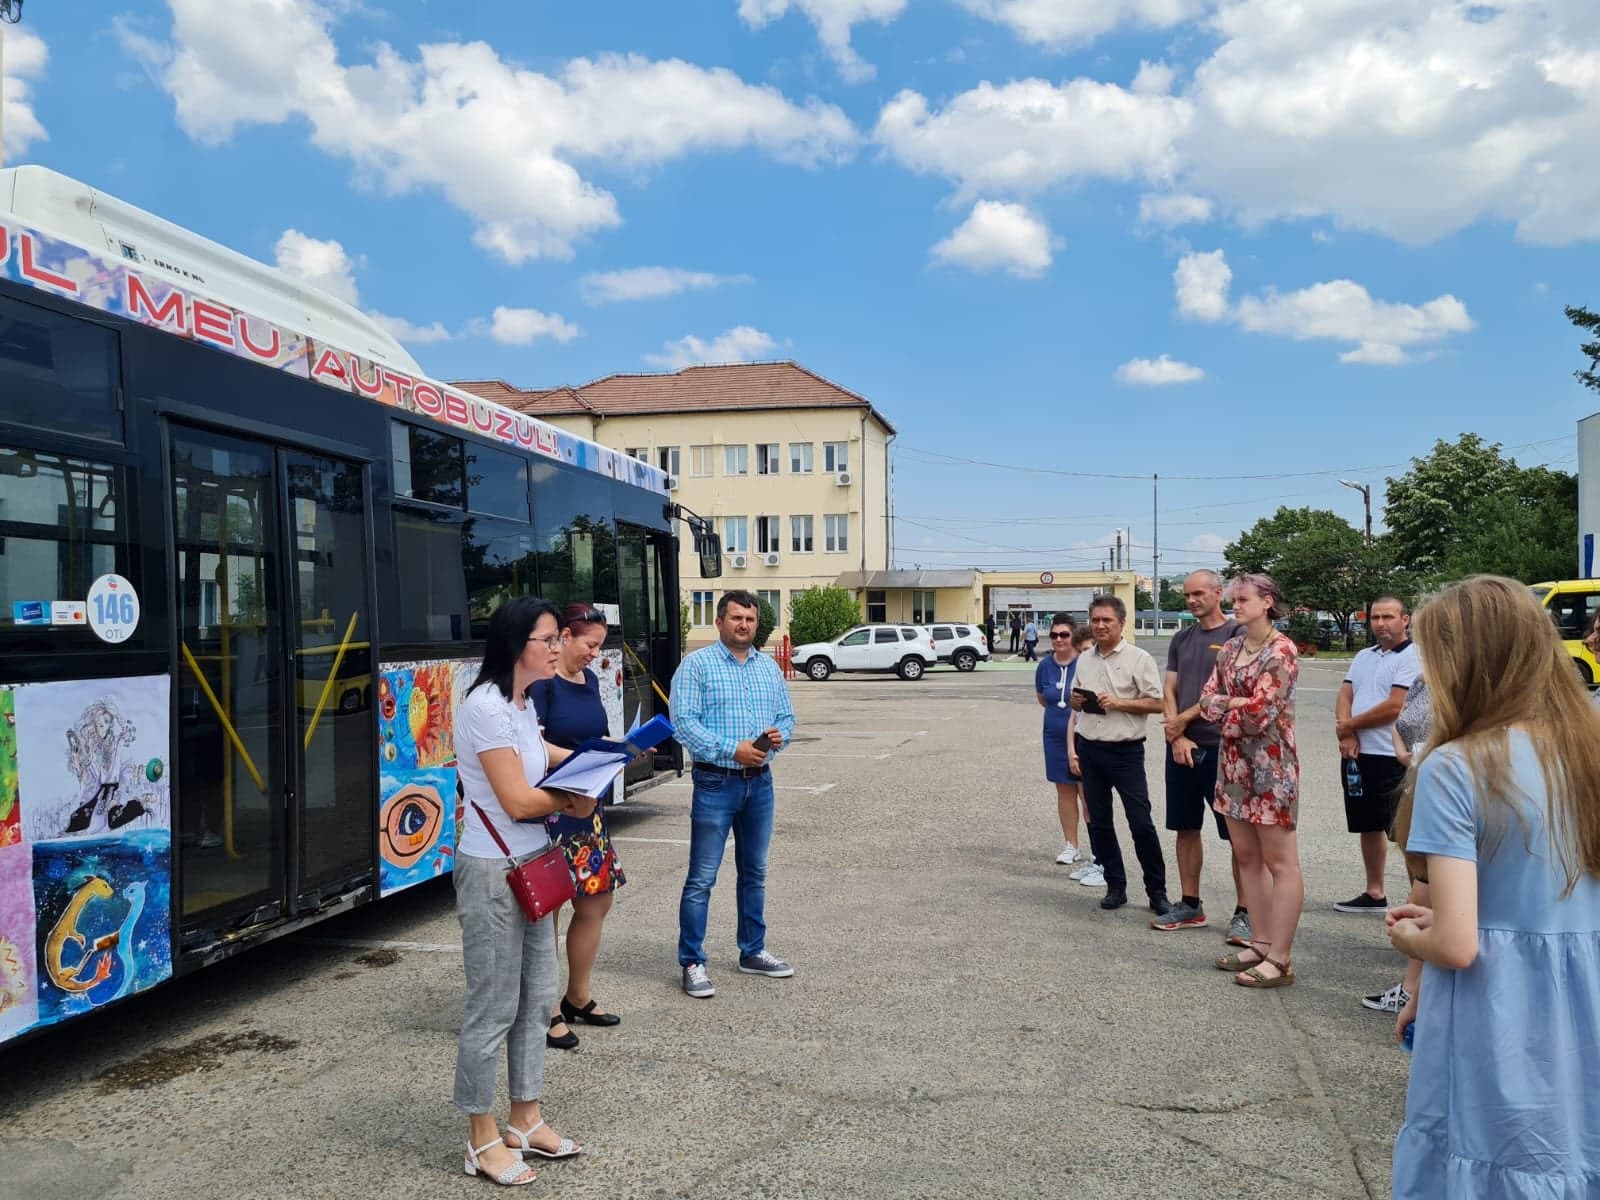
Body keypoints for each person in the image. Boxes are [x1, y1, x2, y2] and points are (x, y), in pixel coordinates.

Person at [1387, 575, 1600, 1197]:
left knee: (1492, 1156)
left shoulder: (1456, 766)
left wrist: (1409, 938)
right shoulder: (1586, 747)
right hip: (1585, 987)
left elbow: (1457, 944)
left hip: (1500, 1005)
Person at [454, 596, 591, 1185]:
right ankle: (481, 1138)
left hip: (532, 862)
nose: (558, 647)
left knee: (537, 998)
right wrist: (571, 797)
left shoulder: (522, 701)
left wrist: (599, 760)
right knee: (492, 1007)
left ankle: (525, 1120)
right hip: (493, 871)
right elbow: (515, 799)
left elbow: (542, 754)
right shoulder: (485, 706)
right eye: (549, 639)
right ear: (518, 645)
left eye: (559, 638)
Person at [671, 590, 797, 999]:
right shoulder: (697, 666)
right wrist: (732, 749)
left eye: (750, 619)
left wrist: (777, 738)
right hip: (716, 783)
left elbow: (786, 717)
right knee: (702, 878)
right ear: (720, 621)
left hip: (760, 783)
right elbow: (683, 723)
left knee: (754, 873)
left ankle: (752, 951)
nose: (744, 625)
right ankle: (692, 961)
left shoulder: (768, 668)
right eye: (736, 617)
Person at [530, 604, 627, 1054]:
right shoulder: (543, 683)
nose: (594, 654)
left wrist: (624, 748)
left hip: (588, 807)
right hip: (552, 808)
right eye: (590, 644)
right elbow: (533, 744)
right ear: (565, 636)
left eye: (599, 646)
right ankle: (545, 1008)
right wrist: (579, 759)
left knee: (596, 900)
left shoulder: (587, 680)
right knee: (548, 909)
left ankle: (577, 996)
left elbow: (595, 735)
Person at [1200, 575, 1302, 988]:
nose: (1235, 606)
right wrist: (1236, 703)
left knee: (1281, 861)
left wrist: (1230, 706)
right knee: (1246, 856)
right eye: (1234, 599)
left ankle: (1281, 957)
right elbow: (1205, 701)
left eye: (1243, 599)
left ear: (1267, 602)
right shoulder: (1230, 649)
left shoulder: (1282, 650)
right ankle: (1260, 943)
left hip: (1271, 767)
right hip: (1233, 765)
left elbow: (1261, 715)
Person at [1154, 570, 1247, 940]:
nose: (1192, 600)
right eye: (1187, 595)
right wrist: (1176, 735)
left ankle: (1246, 912)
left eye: (1198, 594)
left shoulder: (1237, 635)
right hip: (1181, 748)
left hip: (1223, 748)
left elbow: (1228, 691)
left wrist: (1182, 721)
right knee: (1185, 827)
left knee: (1238, 835)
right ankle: (1190, 904)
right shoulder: (1182, 637)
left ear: (1218, 592)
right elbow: (1169, 689)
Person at [1069, 595, 1170, 915]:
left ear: (1122, 623)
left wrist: (1118, 703)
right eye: (1095, 620)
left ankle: (1157, 891)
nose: (1100, 625)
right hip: (1090, 747)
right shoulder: (1084, 659)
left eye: (1107, 620)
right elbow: (1075, 698)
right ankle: (1115, 885)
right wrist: (1075, 701)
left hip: (1126, 752)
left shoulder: (1139, 659)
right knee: (1099, 823)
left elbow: (1158, 703)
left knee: (1140, 823)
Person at [1334, 595, 1419, 913]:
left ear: (1405, 620)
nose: (1381, 623)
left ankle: (1419, 899)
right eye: (1375, 617)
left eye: (1388, 617)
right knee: (1367, 824)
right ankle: (1374, 892)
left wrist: (1348, 726)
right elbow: (1346, 694)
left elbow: (1395, 705)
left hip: (1392, 756)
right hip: (1359, 755)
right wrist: (1348, 732)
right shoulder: (1364, 656)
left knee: (1404, 832)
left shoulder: (1413, 656)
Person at [1364, 674, 1435, 1017]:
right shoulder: (1425, 678)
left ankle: (1413, 991)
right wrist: (1401, 751)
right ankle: (1415, 990)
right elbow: (1402, 719)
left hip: (1446, 785)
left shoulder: (1472, 676)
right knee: (1421, 887)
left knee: (1425, 892)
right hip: (1420, 779)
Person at [1036, 614, 1089, 866]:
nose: (1058, 639)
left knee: (1087, 793)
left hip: (1083, 736)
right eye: (1054, 635)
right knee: (1064, 791)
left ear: (1073, 636)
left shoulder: (1085, 661)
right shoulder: (1045, 666)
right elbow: (1042, 697)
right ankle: (1071, 845)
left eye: (1064, 635)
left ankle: (1100, 849)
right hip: (1054, 736)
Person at [1063, 626, 1105, 886]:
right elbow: (1073, 717)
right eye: (1080, 652)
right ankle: (1096, 857)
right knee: (1087, 807)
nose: (1083, 655)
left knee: (1096, 806)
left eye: (1087, 650)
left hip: (1100, 743)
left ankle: (1103, 863)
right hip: (1080, 743)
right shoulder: (1081, 676)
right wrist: (1071, 750)